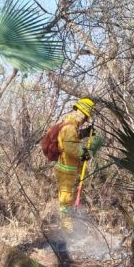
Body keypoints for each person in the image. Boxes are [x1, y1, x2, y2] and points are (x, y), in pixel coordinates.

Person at [54, 98, 94, 230]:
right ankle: (67, 230)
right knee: (66, 200)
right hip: (66, 170)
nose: (84, 120)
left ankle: (67, 226)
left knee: (67, 199)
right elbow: (70, 148)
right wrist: (83, 153)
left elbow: (72, 140)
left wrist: (84, 133)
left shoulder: (71, 125)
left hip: (68, 169)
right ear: (81, 113)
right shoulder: (70, 127)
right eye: (85, 117)